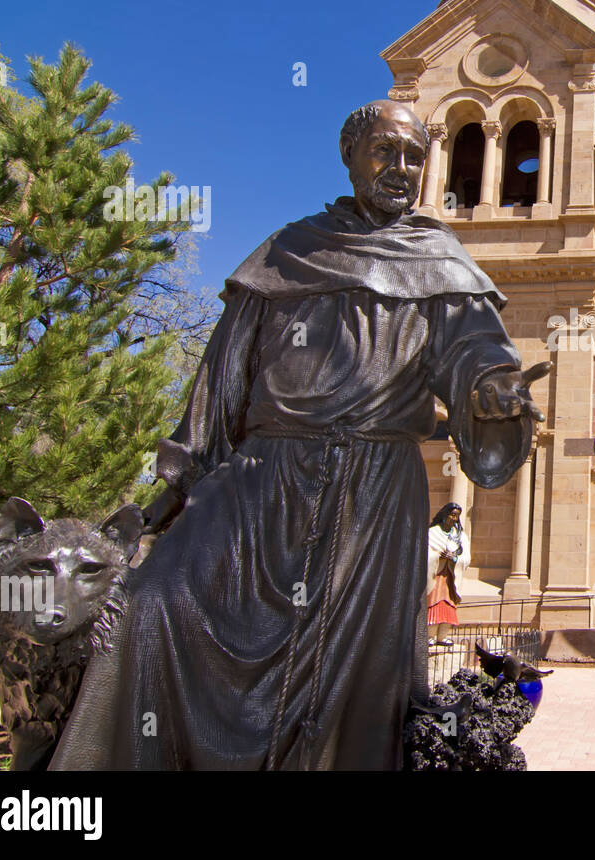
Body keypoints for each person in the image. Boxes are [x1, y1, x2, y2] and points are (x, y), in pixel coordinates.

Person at [51, 100, 549, 770]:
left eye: (413, 155)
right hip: (263, 478)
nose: (401, 168)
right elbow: (222, 378)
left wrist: (491, 388)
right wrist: (175, 482)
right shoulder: (288, 252)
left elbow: (477, 352)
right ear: (351, 156)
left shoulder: (441, 261)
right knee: (152, 605)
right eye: (385, 150)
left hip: (373, 495)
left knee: (357, 690)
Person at [426, 503, 468, 646]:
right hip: (435, 576)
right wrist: (438, 556)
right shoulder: (432, 533)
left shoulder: (460, 537)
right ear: (444, 515)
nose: (454, 519)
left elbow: (465, 558)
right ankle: (430, 636)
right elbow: (424, 554)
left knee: (448, 606)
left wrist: (454, 558)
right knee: (433, 604)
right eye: (452, 515)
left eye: (456, 516)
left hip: (450, 577)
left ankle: (442, 636)